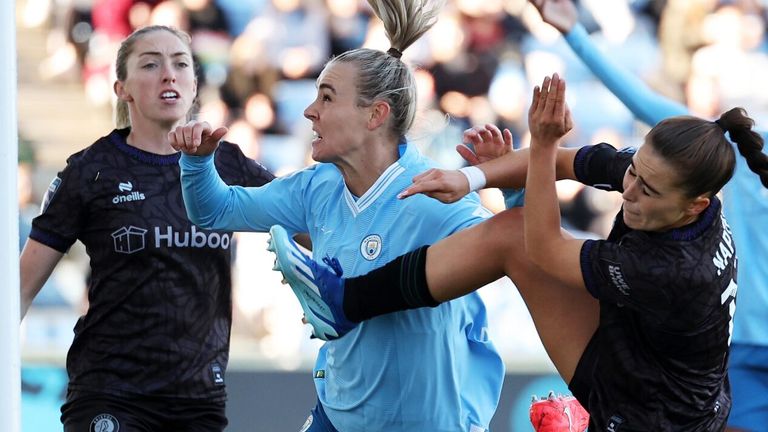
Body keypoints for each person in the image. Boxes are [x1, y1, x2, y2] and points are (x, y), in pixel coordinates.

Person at [270, 70, 768, 430]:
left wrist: (544, 140)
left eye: (647, 190)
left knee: (514, 237)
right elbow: (568, 165)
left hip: (643, 408)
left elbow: (545, 249)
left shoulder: (674, 269)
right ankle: (347, 303)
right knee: (513, 227)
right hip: (660, 369)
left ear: (695, 204)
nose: (631, 191)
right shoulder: (672, 185)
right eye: (633, 172)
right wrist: (468, 177)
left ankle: (348, 303)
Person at [171, 1, 505, 431]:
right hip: (338, 415)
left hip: (423, 421)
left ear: (375, 114)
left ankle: (337, 299)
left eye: (326, 97)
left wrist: (508, 188)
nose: (310, 111)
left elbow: (508, 250)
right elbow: (215, 210)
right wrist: (197, 163)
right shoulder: (316, 188)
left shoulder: (433, 193)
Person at [19, 25, 276, 431]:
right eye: (151, 64)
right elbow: (20, 287)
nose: (168, 74)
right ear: (122, 88)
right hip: (110, 393)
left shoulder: (226, 164)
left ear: (193, 85)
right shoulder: (91, 170)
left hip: (198, 401)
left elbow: (308, 231)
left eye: (180, 64)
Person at [527, 1, 768, 430]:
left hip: (737, 351)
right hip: (744, 350)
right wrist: (575, 35)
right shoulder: (739, 148)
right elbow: (647, 107)